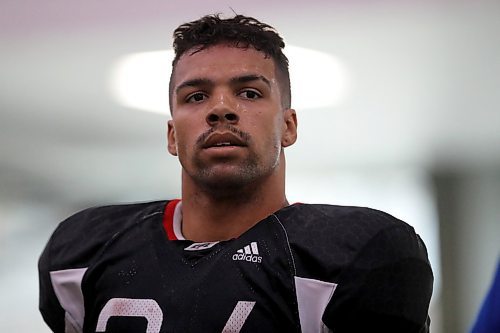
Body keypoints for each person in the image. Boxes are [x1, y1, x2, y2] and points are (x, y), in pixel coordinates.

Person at [39, 14, 433, 333]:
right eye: (196, 96)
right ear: (173, 135)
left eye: (249, 92)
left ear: (289, 126)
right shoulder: (85, 251)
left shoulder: (353, 254)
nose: (221, 109)